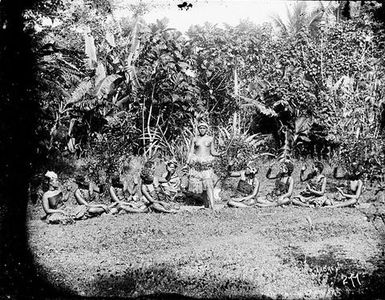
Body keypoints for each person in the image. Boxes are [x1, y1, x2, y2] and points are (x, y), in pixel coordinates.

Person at [186, 121, 222, 209]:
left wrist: (220, 154)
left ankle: (213, 206)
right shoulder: (195, 139)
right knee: (202, 185)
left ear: (207, 129)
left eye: (204, 128)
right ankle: (206, 205)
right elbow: (191, 152)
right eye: (200, 128)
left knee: (209, 183)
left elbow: (212, 151)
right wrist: (187, 163)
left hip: (206, 163)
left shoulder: (210, 138)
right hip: (197, 164)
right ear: (198, 129)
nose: (202, 130)